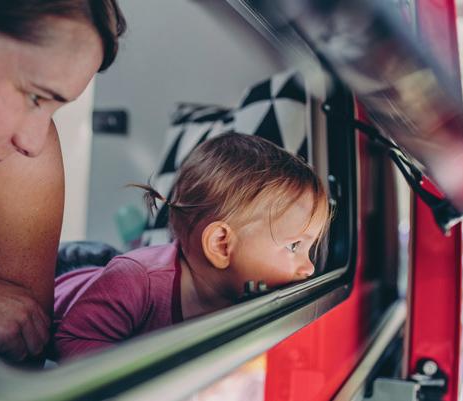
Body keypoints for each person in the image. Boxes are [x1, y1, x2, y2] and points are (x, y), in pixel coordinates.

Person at [0, 0, 126, 362]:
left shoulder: (17, 161)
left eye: (54, 107)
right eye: (33, 96)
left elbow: (18, 355)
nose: (30, 142)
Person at [52, 132, 331, 361]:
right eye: (294, 246)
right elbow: (72, 340)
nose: (309, 268)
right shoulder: (135, 280)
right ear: (221, 245)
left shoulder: (244, 291)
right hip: (66, 277)